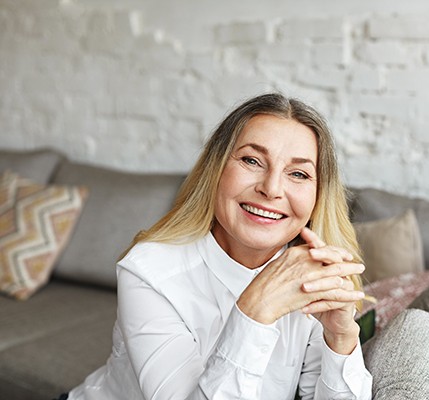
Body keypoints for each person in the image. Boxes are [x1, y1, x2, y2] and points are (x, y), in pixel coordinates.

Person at [66, 93, 372, 399]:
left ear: (318, 194)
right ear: (216, 170)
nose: (271, 189)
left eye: (298, 174)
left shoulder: (312, 275)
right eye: (252, 160)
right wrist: (255, 312)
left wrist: (341, 337)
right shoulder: (149, 270)